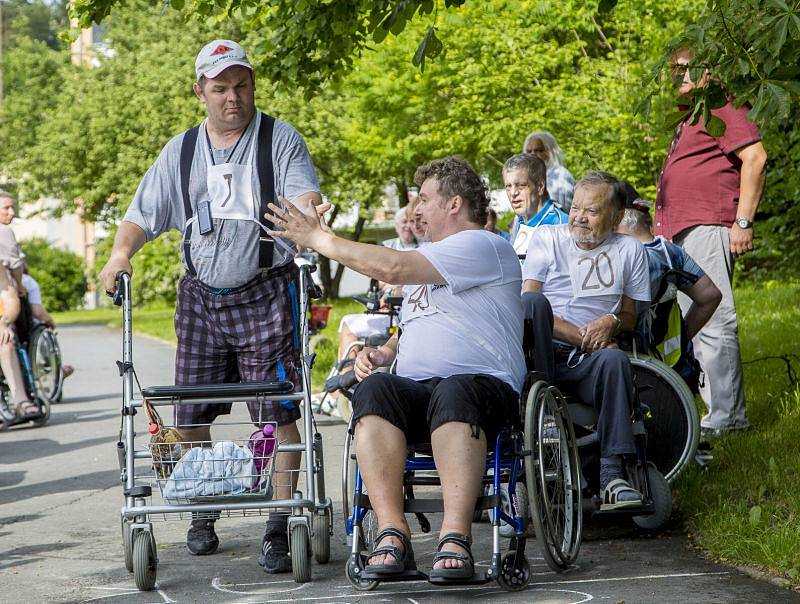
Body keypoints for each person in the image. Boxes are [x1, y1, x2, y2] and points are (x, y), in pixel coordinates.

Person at [98, 39, 322, 573]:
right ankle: (203, 510)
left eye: (241, 85)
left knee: (276, 413)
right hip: (201, 298)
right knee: (191, 409)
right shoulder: (180, 153)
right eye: (220, 88)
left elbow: (306, 202)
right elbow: (142, 212)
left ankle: (279, 520)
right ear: (200, 91)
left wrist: (311, 219)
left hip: (267, 290)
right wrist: (118, 253)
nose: (233, 98)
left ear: (252, 86)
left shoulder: (279, 141)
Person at [267, 156, 526, 583]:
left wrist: (319, 238)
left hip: (482, 392)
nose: (416, 209)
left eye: (424, 199)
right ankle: (392, 532)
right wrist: (385, 353)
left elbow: (391, 266)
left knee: (454, 389)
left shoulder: (484, 245)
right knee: (373, 393)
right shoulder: (433, 259)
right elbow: (423, 323)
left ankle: (455, 537)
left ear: (454, 204)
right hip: (422, 393)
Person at [522, 171, 651, 510]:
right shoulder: (547, 238)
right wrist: (581, 338)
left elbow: (629, 316)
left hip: (592, 358)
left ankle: (612, 475)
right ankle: (545, 421)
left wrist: (610, 322)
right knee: (534, 304)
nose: (578, 217)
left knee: (615, 360)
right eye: (575, 208)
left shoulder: (630, 250)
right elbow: (529, 305)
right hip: (543, 351)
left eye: (591, 211)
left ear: (617, 217)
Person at [655, 48, 767, 437]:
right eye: (676, 71)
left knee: (714, 319)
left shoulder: (721, 103)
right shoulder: (693, 115)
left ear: (711, 70)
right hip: (682, 231)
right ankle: (713, 412)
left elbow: (755, 157)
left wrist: (743, 221)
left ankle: (729, 418)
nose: (680, 77)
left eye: (688, 69)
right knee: (694, 324)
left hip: (707, 224)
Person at [616, 184, 721, 377]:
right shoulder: (670, 252)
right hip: (673, 369)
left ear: (617, 218)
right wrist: (683, 336)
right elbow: (710, 296)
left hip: (632, 371)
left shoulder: (623, 259)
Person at [0, 192, 40, 420]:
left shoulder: (3, 234)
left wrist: (3, 322)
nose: (12, 213)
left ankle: (20, 400)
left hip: (4, 310)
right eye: (7, 208)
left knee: (4, 340)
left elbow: (11, 297)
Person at [503, 153, 568, 256]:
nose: (513, 193)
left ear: (540, 187)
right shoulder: (519, 220)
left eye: (521, 185)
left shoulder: (561, 225)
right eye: (508, 186)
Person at [21, 270, 75, 378]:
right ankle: (53, 370)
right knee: (44, 329)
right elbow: (38, 312)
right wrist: (50, 321)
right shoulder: (26, 281)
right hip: (25, 330)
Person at [522, 131, 575, 211]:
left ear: (550, 152)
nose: (532, 155)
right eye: (529, 151)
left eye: (538, 150)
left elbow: (561, 211)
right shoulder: (528, 178)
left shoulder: (560, 176)